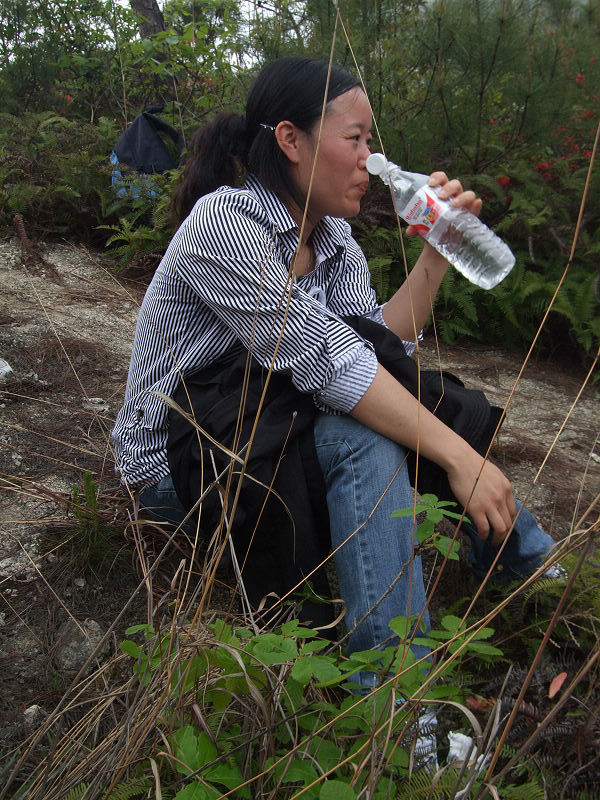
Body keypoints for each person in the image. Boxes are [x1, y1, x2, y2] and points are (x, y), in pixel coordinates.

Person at [111, 57, 554, 684]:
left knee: (383, 404)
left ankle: (527, 578)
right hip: (179, 461)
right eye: (355, 139)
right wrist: (461, 457)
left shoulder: (334, 241)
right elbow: (333, 364)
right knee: (369, 428)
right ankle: (395, 693)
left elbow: (377, 341)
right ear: (291, 139)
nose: (370, 159)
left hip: (264, 431)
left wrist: (437, 250)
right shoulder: (228, 222)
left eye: (370, 140)